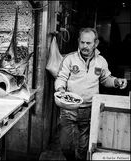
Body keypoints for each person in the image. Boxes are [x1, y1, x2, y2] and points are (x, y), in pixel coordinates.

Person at [55, 27, 127, 161]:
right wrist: (60, 90)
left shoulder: (101, 61)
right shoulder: (69, 59)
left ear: (96, 43)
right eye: (82, 42)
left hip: (89, 109)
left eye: (88, 43)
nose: (84, 46)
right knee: (66, 145)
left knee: (83, 147)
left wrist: (116, 81)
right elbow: (61, 77)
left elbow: (106, 79)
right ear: (78, 41)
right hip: (69, 108)